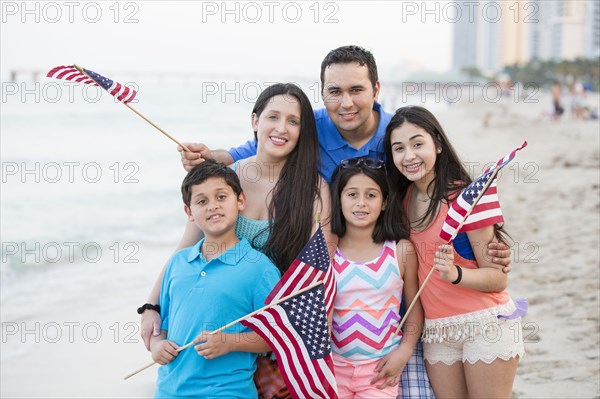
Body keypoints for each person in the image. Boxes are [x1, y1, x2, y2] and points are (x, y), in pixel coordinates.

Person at [175, 45, 512, 399]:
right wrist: (213, 157)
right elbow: (265, 143)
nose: (346, 103)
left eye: (356, 90)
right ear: (323, 95)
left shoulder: (396, 135)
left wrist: (480, 255)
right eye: (335, 92)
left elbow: (441, 193)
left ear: (376, 90)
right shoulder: (312, 126)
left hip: (401, 295)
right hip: (341, 290)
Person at [141, 83, 333, 398]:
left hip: (270, 331)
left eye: (293, 121)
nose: (281, 128)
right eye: (273, 116)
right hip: (220, 322)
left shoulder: (312, 190)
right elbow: (185, 250)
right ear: (255, 121)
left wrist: (301, 342)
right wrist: (151, 306)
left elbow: (319, 274)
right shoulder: (224, 180)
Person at [383, 106, 525, 398]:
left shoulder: (465, 199)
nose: (408, 156)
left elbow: (498, 279)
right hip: (438, 332)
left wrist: (455, 274)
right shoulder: (402, 200)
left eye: (417, 144)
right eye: (399, 148)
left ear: (437, 144)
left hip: (484, 324)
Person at [150, 159, 281, 397]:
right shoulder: (178, 263)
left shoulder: (259, 268)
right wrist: (157, 346)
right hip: (169, 390)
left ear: (240, 200)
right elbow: (163, 325)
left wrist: (230, 342)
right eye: (202, 201)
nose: (213, 206)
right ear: (189, 212)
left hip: (227, 391)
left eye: (221, 197)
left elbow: (274, 337)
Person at [329, 157, 423, 399]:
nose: (361, 203)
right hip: (333, 367)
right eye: (352, 194)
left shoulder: (401, 251)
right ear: (338, 199)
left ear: (384, 202)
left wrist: (405, 350)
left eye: (371, 195)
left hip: (380, 369)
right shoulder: (329, 252)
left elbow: (414, 307)